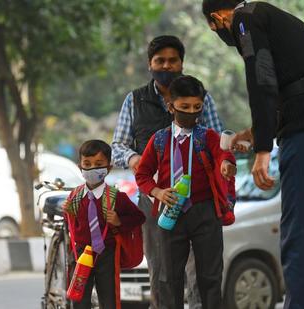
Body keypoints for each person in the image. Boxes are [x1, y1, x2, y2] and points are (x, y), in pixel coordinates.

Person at [201, 1, 304, 308]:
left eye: (215, 29)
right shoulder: (274, 16)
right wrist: (254, 133)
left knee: (298, 238)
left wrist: (263, 149)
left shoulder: (243, 20)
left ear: (217, 18)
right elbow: (291, 81)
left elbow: (262, 78)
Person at [111, 35, 224, 309]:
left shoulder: (200, 97)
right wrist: (136, 158)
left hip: (200, 202)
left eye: (173, 61)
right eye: (160, 61)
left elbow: (218, 141)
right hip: (155, 204)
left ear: (182, 64)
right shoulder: (135, 100)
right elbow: (117, 147)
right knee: (162, 274)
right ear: (150, 64)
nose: (167, 66)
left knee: (203, 274)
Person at [135, 75, 236, 309]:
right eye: (184, 107)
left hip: (205, 212)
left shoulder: (208, 136)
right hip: (171, 214)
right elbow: (142, 175)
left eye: (197, 108)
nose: (191, 112)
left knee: (210, 277)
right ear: (171, 107)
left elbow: (223, 154)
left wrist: (226, 164)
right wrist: (158, 192)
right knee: (169, 278)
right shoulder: (159, 140)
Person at [64, 140, 146, 309]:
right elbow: (71, 224)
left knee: (109, 299)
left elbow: (139, 217)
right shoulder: (75, 196)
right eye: (87, 164)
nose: (92, 168)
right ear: (80, 167)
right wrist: (69, 214)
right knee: (79, 300)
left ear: (108, 168)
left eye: (98, 164)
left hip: (107, 253)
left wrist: (119, 221)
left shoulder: (117, 197)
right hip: (80, 254)